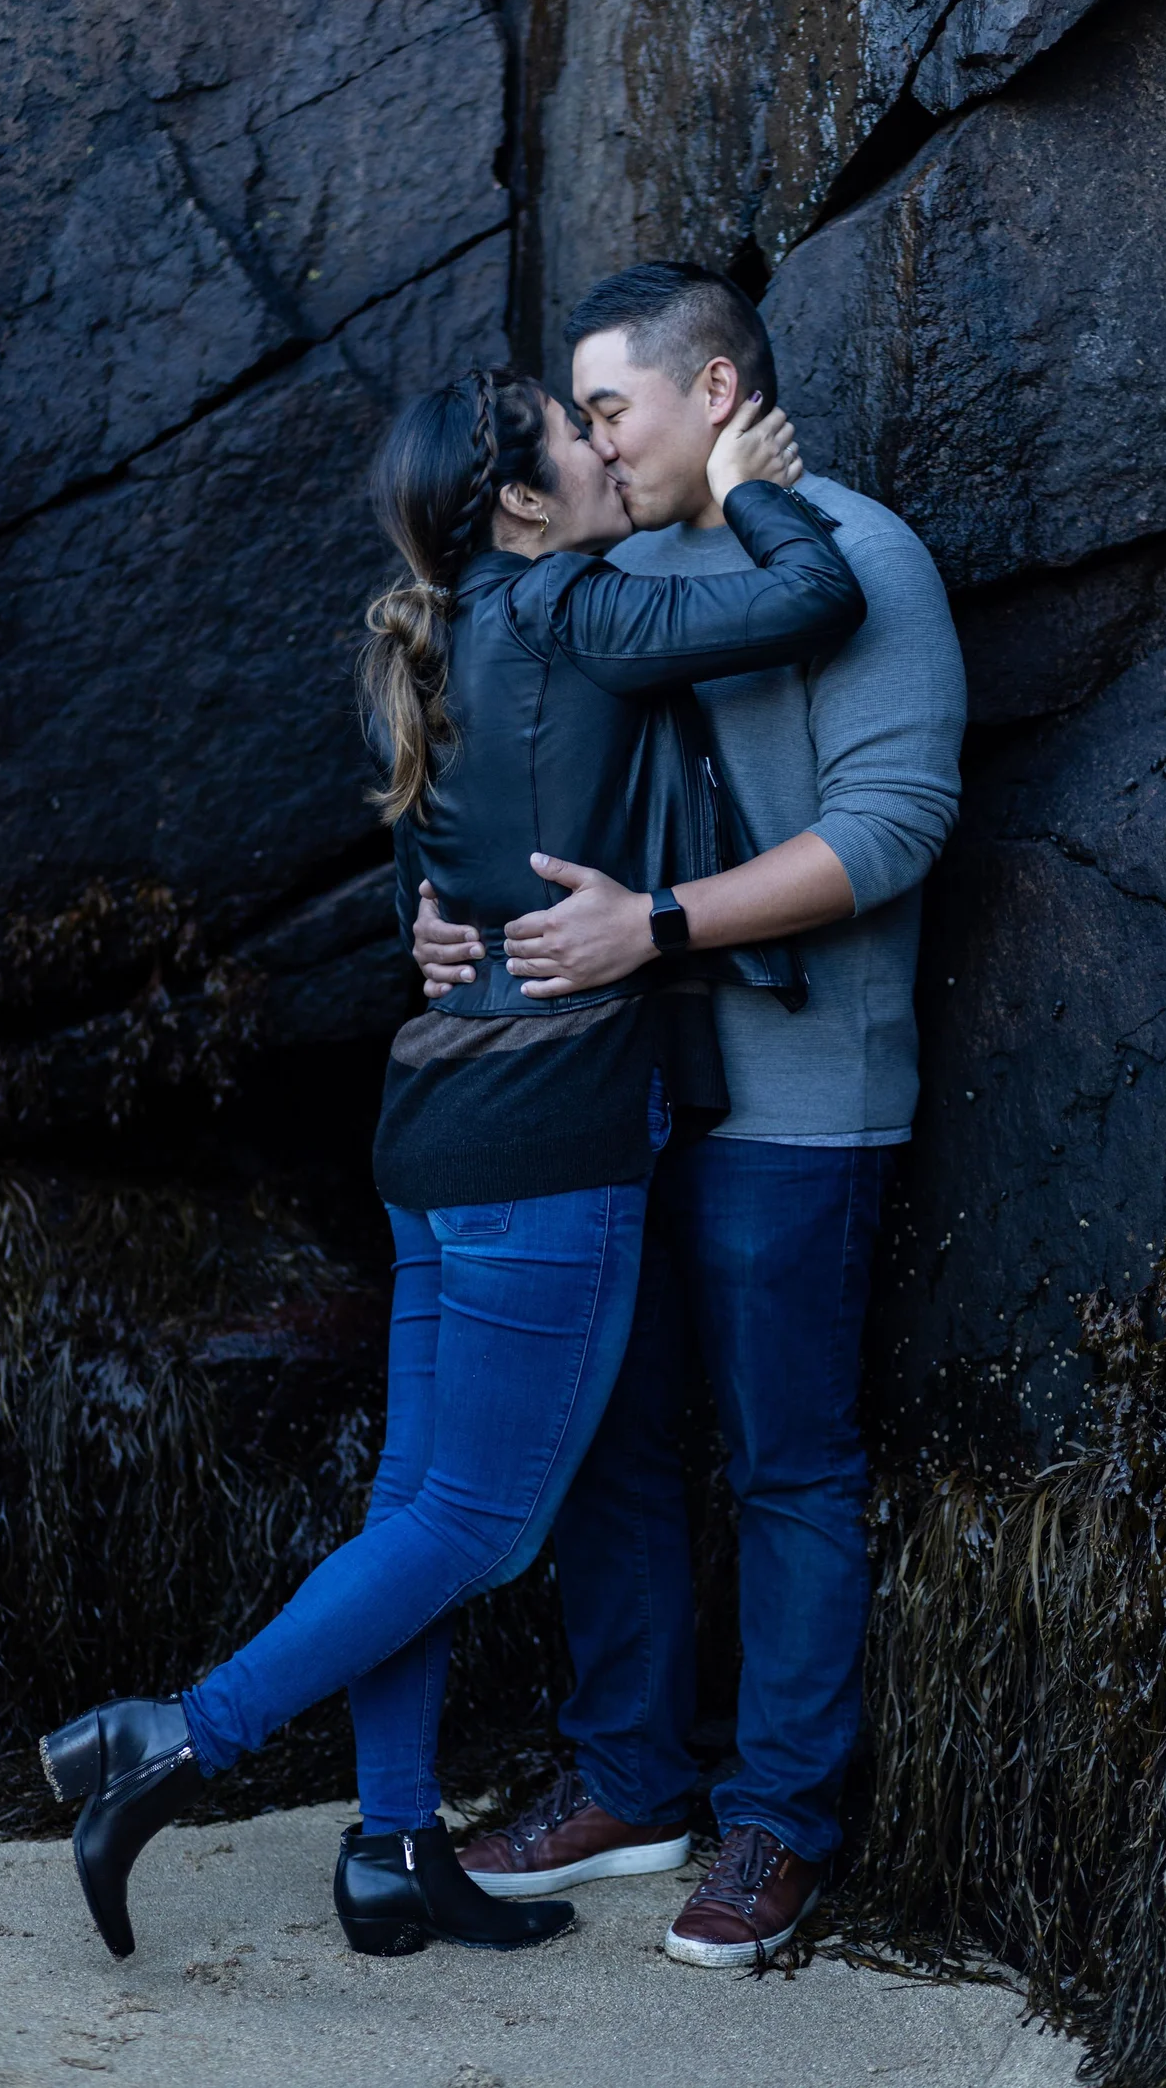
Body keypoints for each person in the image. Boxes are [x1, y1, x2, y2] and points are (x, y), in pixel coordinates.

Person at [36, 366, 868, 1965]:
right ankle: (172, 1739)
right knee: (477, 1524)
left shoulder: (447, 638)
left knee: (414, 1500)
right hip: (539, 1142)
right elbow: (813, 594)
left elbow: (441, 886)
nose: (601, 441)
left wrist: (454, 928)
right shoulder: (573, 610)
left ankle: (395, 1843)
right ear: (520, 501)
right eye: (576, 428)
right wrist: (751, 478)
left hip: (431, 1132)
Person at [412, 264, 967, 1967]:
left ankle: (777, 1824)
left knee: (789, 1460)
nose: (587, 442)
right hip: (614, 1096)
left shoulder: (860, 559)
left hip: (800, 1099)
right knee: (614, 1443)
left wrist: (650, 925)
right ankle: (628, 1777)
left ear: (713, 392)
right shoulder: (606, 576)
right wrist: (448, 925)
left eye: (609, 410)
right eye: (574, 421)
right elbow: (511, 782)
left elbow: (892, 829)